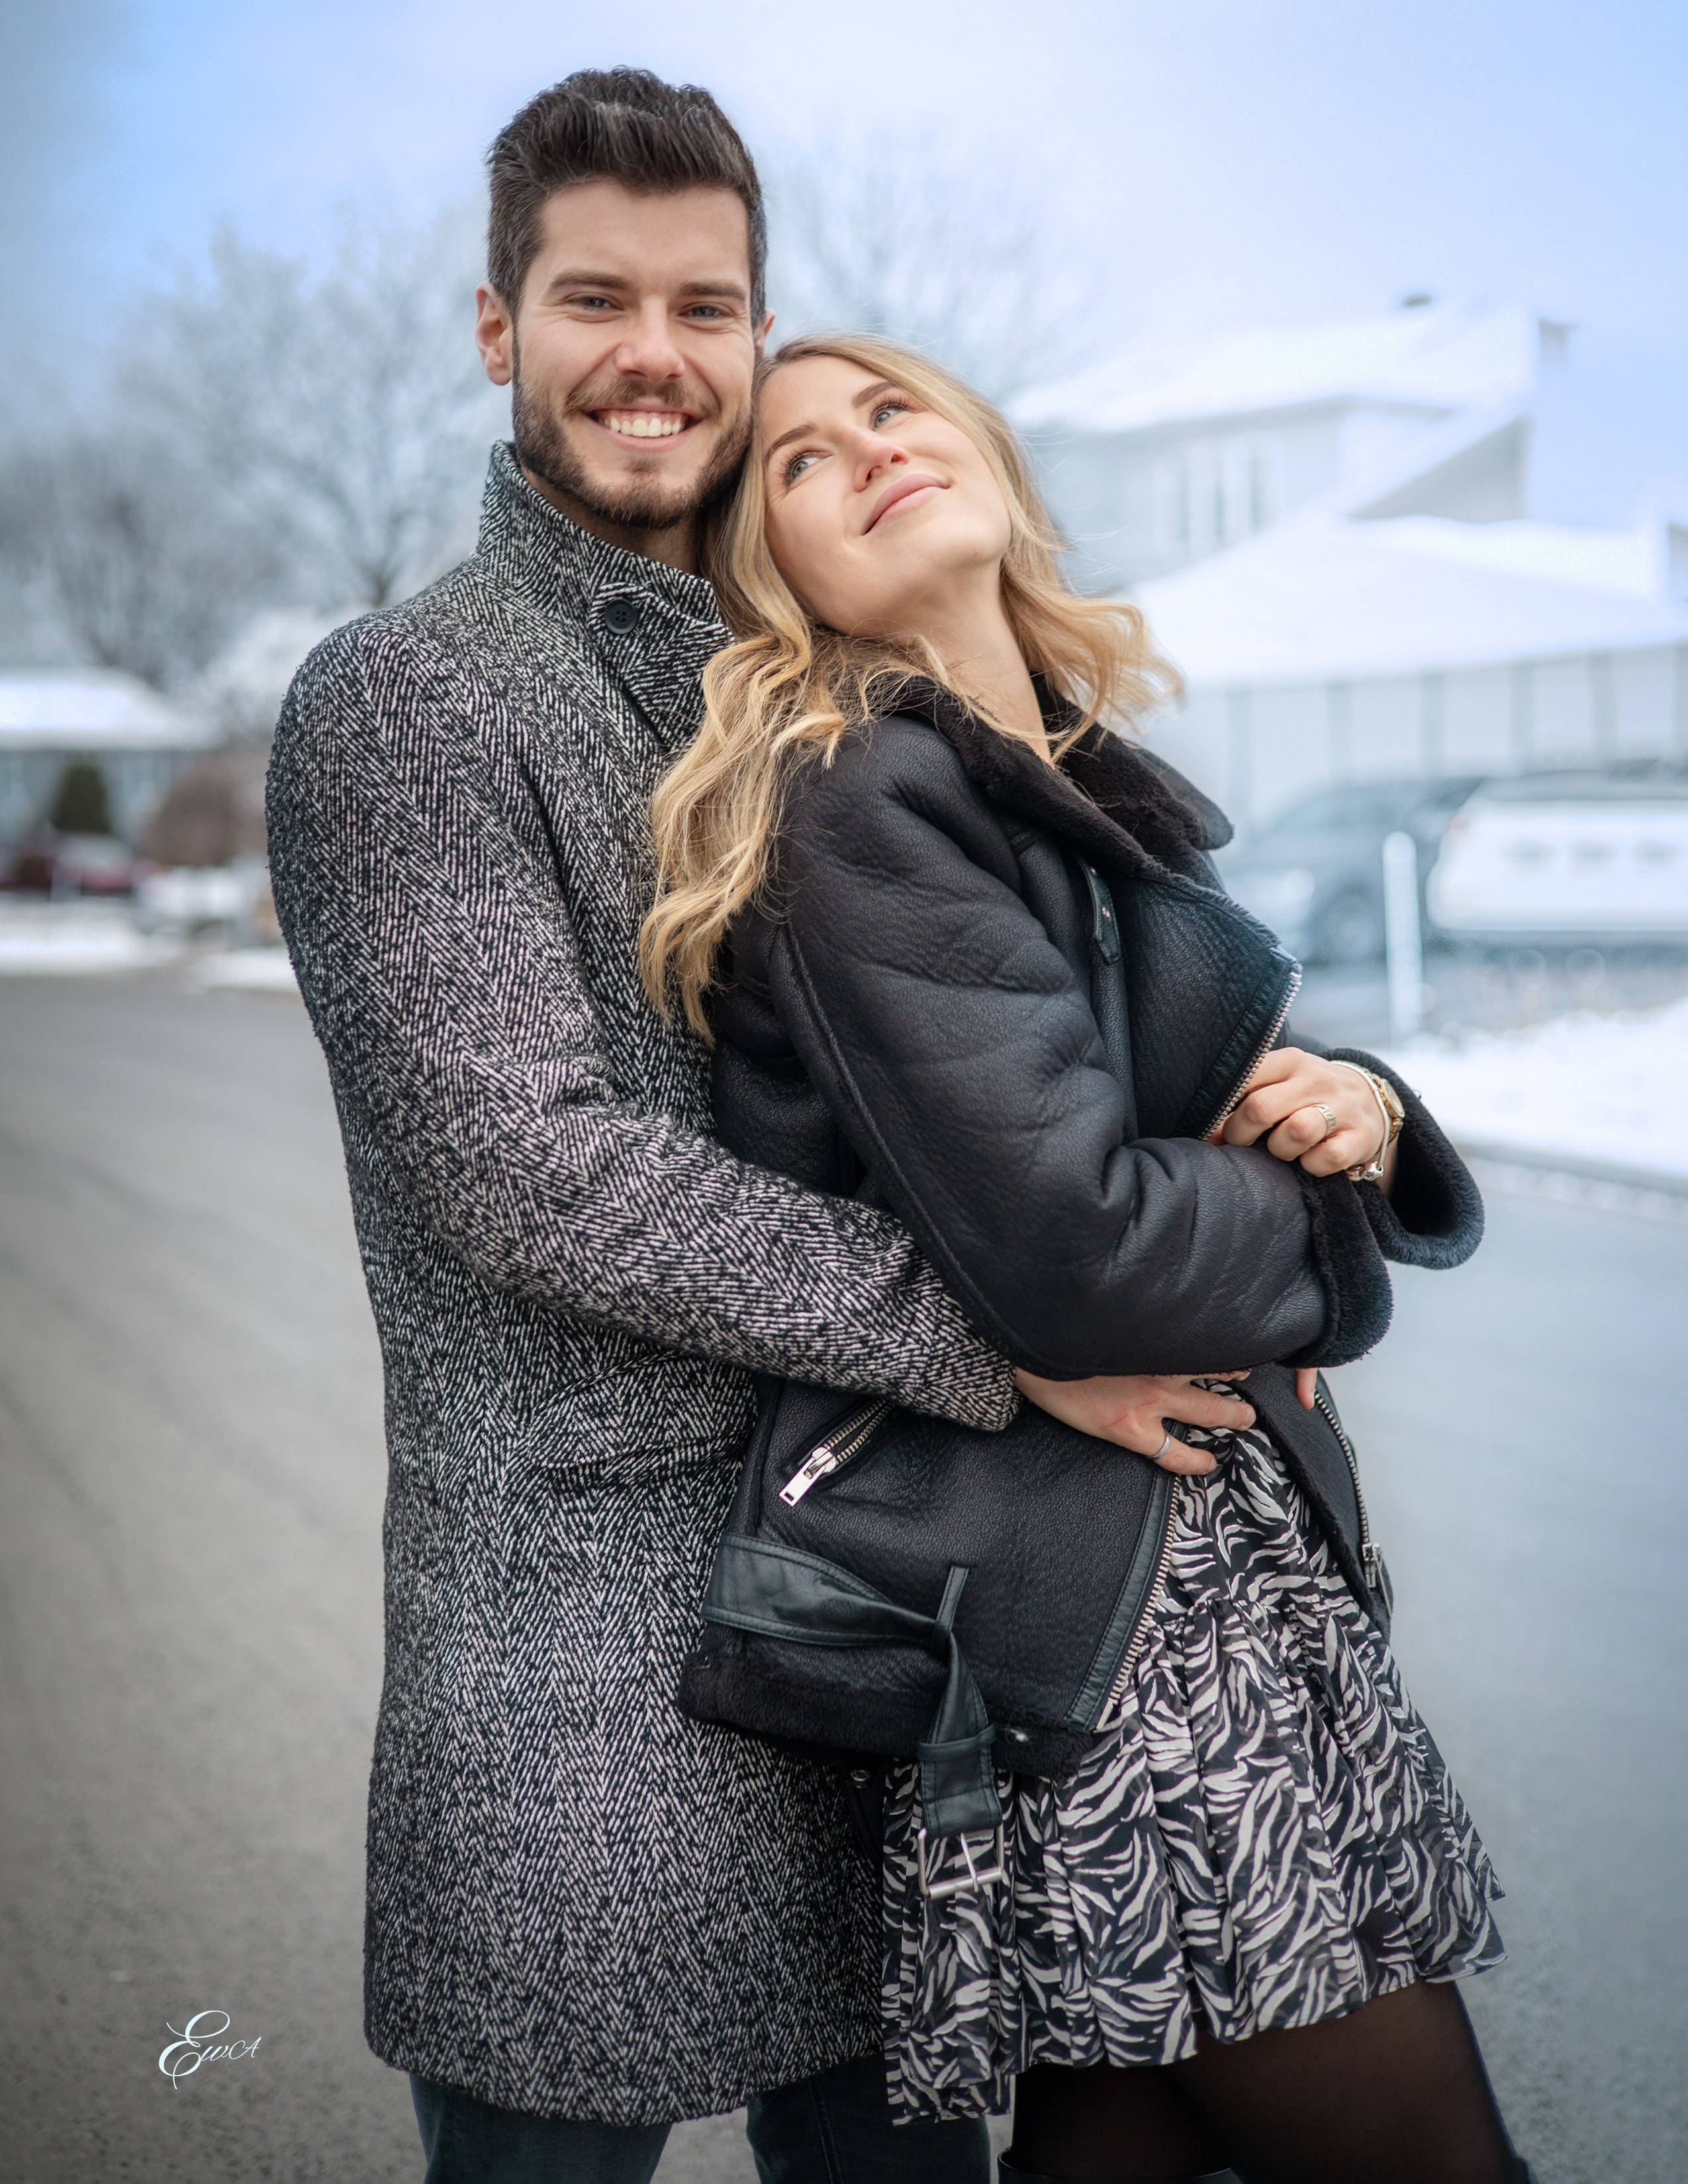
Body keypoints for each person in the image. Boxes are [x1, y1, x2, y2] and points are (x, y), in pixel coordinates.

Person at [268, 68, 1172, 2184]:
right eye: (597, 299)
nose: (656, 358)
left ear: (758, 329)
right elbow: (534, 1168)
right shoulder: (410, 696)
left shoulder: (828, 680)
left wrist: (1323, 1109)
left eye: (708, 305)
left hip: (888, 1639)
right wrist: (1005, 1331)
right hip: (588, 1658)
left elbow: (1067, 1034)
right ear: (500, 327)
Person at [641, 332, 1533, 2184]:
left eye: (892, 408)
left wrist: (1354, 1105)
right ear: (771, 570)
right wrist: (1314, 1216)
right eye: (801, 459)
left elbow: (1185, 1120)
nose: (868, 449)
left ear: (983, 450)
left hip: (1174, 1581)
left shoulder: (1062, 777)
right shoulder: (862, 800)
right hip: (1114, 1634)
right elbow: (1080, 1250)